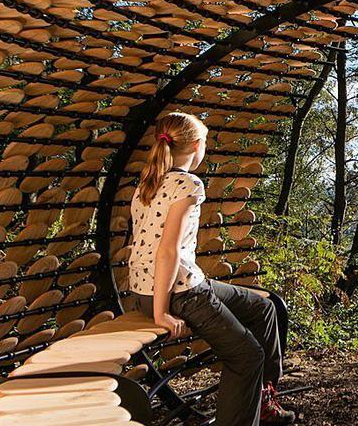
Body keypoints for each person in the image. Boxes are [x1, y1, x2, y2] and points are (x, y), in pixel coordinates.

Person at [124, 112, 298, 426]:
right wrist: (161, 313)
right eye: (205, 142)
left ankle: (261, 399)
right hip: (178, 292)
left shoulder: (148, 183)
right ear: (196, 146)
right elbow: (167, 251)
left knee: (264, 308)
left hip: (149, 290)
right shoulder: (188, 184)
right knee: (247, 356)